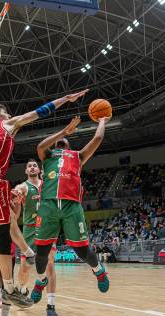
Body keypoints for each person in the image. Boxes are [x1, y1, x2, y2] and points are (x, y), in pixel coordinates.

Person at [0, 90, 87, 308]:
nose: (9, 115)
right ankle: (16, 275)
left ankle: (10, 287)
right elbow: (39, 112)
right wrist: (65, 99)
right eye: (5, 112)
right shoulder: (5, 125)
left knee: (4, 231)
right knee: (5, 234)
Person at [32, 116, 110, 296]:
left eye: (64, 140)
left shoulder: (77, 156)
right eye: (59, 140)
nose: (61, 141)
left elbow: (97, 139)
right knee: (41, 253)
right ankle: (41, 279)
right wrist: (63, 131)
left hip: (71, 206)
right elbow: (40, 146)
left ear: (68, 146)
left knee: (81, 250)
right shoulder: (48, 155)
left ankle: (99, 270)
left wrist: (102, 121)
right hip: (48, 205)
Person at [14, 160, 58, 316]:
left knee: (50, 264)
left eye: (34, 165)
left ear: (39, 170)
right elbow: (17, 190)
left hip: (47, 227)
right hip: (30, 230)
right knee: (26, 267)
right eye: (29, 166)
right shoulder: (24, 187)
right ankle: (23, 289)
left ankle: (51, 305)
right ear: (26, 171)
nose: (32, 167)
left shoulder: (48, 184)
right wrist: (15, 193)